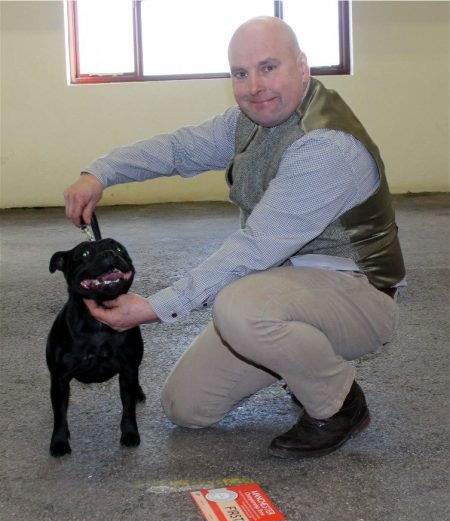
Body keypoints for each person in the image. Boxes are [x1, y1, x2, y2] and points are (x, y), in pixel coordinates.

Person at [64, 16, 405, 459]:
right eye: (240, 73)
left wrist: (155, 307)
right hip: (284, 286)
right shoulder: (250, 121)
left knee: (239, 307)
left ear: (303, 67)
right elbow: (178, 149)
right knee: (186, 406)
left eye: (269, 67)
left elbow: (255, 248)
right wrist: (100, 173)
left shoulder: (326, 146)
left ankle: (339, 404)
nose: (255, 86)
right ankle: (296, 359)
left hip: (358, 293)